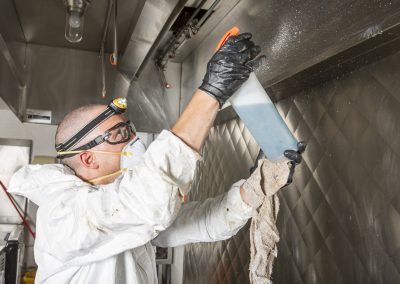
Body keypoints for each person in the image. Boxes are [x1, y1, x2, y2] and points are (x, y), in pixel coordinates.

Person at [9, 33, 291, 283]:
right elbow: (146, 200)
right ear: (88, 159)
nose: (133, 140)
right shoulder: (63, 215)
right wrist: (211, 92)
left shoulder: (119, 208)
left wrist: (256, 187)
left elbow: (206, 222)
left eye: (129, 130)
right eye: (119, 134)